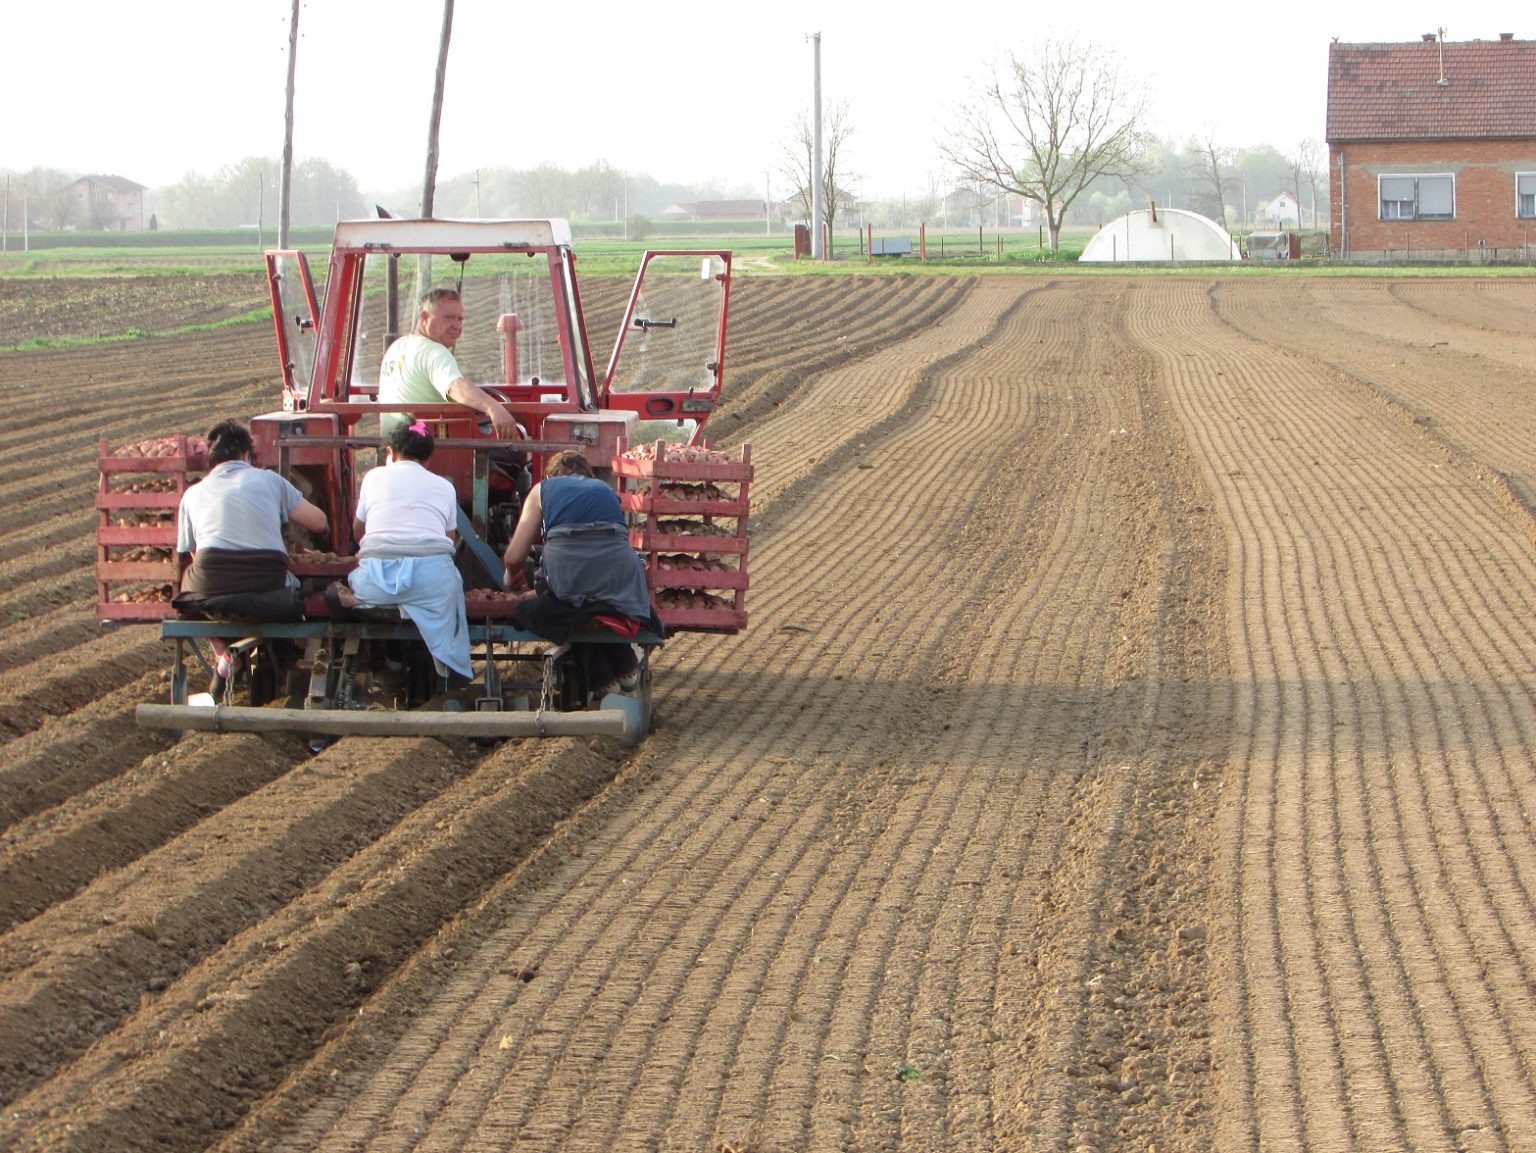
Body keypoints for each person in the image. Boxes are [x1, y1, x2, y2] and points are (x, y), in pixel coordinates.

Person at [173, 419, 329, 696]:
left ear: (212, 459)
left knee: (199, 588)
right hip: (268, 592)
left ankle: (225, 656)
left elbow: (195, 553)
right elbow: (317, 521)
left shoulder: (192, 494)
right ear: (246, 455)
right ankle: (282, 660)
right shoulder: (269, 480)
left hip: (208, 592)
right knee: (295, 589)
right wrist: (326, 532)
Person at [501, 449, 663, 698]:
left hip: (567, 570)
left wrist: (512, 577)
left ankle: (603, 676)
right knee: (600, 604)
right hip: (620, 572)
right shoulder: (604, 489)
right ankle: (625, 666)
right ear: (587, 473)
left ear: (551, 474)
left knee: (561, 608)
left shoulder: (542, 490)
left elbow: (513, 557)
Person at [337, 420, 472, 684]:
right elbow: (449, 539)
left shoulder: (373, 477)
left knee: (350, 586)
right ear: (428, 459)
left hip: (375, 585)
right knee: (449, 586)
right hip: (431, 585)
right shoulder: (444, 486)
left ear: (391, 452)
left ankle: (386, 663)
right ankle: (450, 672)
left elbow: (358, 532)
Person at [378, 287, 520, 440]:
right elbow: (455, 387)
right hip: (425, 449)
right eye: (449, 318)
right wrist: (493, 408)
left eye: (460, 319)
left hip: (391, 446)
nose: (457, 326)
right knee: (513, 450)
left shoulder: (396, 347)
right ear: (424, 317)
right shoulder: (433, 352)